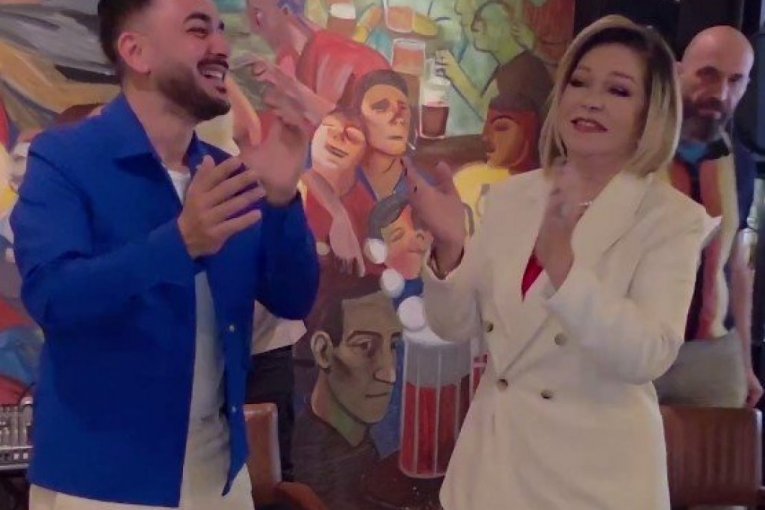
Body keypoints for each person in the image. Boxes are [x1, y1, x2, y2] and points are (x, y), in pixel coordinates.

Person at [11, 1, 319, 509]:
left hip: (221, 479)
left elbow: (294, 297)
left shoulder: (225, 173)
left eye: (221, 29)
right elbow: (52, 298)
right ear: (136, 51)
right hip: (100, 485)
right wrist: (180, 243)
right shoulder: (64, 160)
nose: (222, 46)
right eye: (199, 30)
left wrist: (284, 200)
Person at [408, 16, 706, 509]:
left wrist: (566, 270)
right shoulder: (513, 197)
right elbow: (456, 327)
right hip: (492, 473)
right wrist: (450, 249)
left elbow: (649, 354)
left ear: (650, 113)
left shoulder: (670, 219)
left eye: (618, 90)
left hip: (594, 482)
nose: (591, 100)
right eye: (579, 82)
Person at [654, 26, 764, 415]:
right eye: (708, 74)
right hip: (636, 348)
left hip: (714, 355)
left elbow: (737, 266)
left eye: (735, 80)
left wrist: (744, 361)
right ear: (678, 71)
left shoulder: (742, 165)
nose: (720, 93)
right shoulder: (634, 150)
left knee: (722, 454)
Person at [293, 280, 401, 510]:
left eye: (393, 346)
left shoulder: (357, 443)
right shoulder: (314, 463)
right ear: (323, 351)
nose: (389, 374)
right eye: (365, 346)